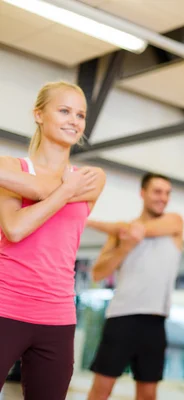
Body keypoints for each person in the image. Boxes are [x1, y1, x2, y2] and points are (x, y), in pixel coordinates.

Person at [0, 81, 106, 399]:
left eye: (80, 115)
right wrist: (66, 190)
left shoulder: (92, 177)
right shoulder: (11, 166)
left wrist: (58, 187)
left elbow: (41, 190)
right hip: (5, 304)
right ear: (39, 115)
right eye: (64, 111)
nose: (74, 120)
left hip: (57, 316)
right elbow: (15, 229)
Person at [86, 172, 184, 400]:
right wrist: (124, 247)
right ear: (143, 193)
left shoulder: (175, 223)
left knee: (148, 394)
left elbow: (139, 230)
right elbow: (98, 272)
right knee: (101, 389)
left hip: (156, 321)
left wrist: (90, 222)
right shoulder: (121, 235)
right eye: (157, 192)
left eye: (167, 193)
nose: (163, 198)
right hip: (122, 318)